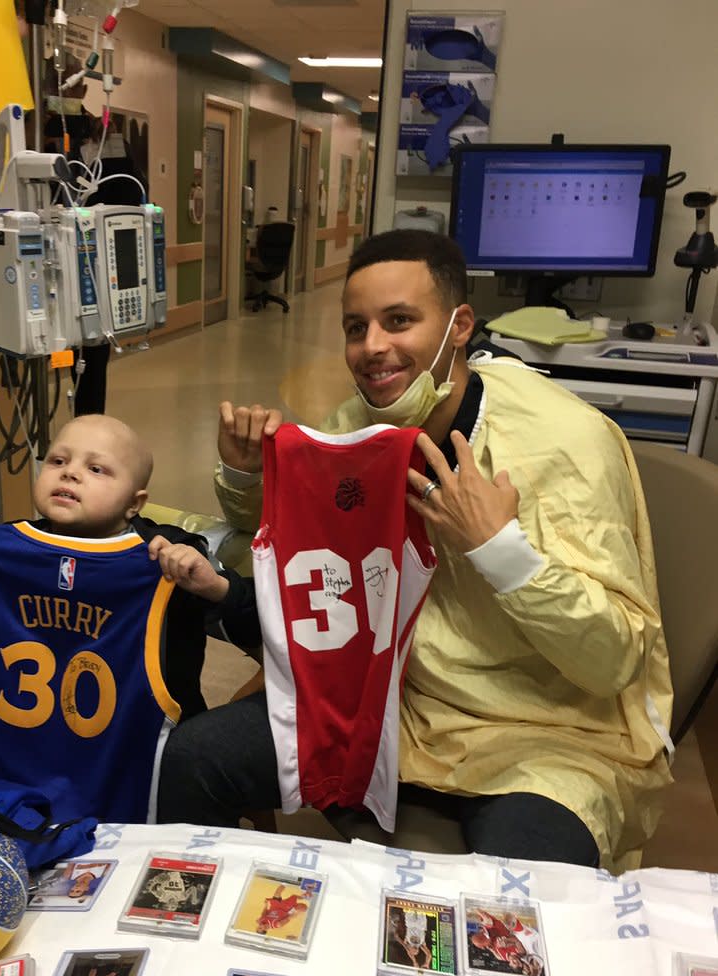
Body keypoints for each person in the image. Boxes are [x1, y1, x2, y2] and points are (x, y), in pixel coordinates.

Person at [157, 229, 673, 872]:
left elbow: (614, 660)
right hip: (384, 699)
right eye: (356, 327)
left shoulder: (564, 441)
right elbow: (291, 545)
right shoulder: (355, 425)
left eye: (399, 321)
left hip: (541, 733)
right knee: (193, 759)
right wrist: (245, 476)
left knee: (531, 880)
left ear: (460, 326)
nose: (373, 347)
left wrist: (499, 549)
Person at [0, 414, 258, 822]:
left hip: (145, 760)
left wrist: (213, 583)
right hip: (25, 761)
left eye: (95, 469)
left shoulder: (164, 557)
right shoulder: (5, 548)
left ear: (135, 502)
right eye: (58, 461)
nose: (71, 474)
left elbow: (254, 623)